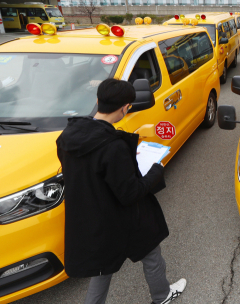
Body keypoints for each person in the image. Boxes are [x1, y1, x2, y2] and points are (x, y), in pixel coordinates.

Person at [56, 78, 186, 304]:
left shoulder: (67, 137)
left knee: (102, 270)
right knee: (151, 253)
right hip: (124, 217)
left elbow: (88, 172)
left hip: (93, 219)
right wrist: (156, 171)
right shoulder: (113, 147)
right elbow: (131, 193)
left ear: (98, 100)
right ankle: (162, 295)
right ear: (125, 108)